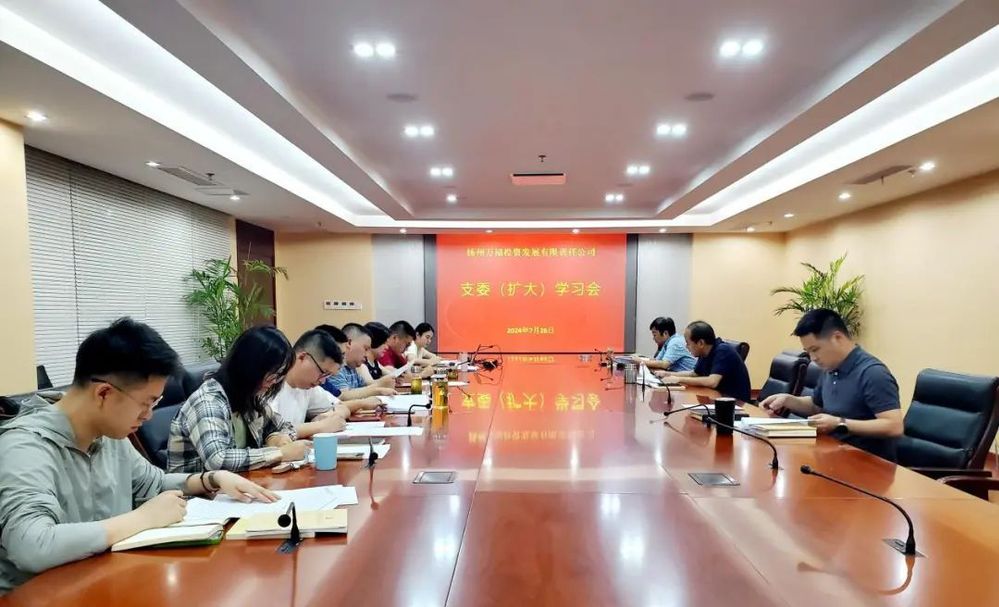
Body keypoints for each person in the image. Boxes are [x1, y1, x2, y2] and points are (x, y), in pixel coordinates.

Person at [0, 318, 277, 594]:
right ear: (104, 393)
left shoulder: (108, 435)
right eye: (146, 403)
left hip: (103, 582)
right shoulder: (25, 446)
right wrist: (142, 519)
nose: (149, 416)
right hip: (42, 595)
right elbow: (32, 546)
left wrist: (212, 479)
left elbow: (153, 482)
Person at [760, 308, 903, 461]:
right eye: (808, 352)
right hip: (833, 454)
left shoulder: (872, 373)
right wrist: (788, 400)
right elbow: (817, 406)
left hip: (867, 464)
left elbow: (894, 426)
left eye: (815, 349)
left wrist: (839, 423)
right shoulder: (830, 368)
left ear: (837, 338)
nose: (813, 358)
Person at [167, 326, 311, 473]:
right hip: (196, 487)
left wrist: (277, 437)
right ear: (250, 368)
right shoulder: (208, 402)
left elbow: (284, 426)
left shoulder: (249, 398)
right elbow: (218, 460)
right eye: (273, 374)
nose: (275, 381)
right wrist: (279, 453)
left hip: (240, 483)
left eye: (279, 375)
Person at [268, 329, 351, 439]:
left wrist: (329, 416)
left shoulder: (307, 387)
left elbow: (342, 407)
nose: (323, 381)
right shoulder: (270, 383)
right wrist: (320, 426)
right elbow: (273, 433)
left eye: (327, 376)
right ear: (302, 357)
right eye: (323, 372)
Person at [658, 321, 752, 403]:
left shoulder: (723, 350)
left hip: (735, 403)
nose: (686, 347)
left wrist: (678, 379)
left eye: (688, 343)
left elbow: (712, 381)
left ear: (701, 343)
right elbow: (695, 374)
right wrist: (668, 374)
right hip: (716, 397)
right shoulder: (704, 352)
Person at [323, 323, 396, 405]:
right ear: (349, 343)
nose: (367, 355)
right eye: (365, 348)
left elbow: (363, 390)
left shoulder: (353, 368)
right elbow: (343, 396)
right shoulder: (336, 367)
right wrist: (379, 386)